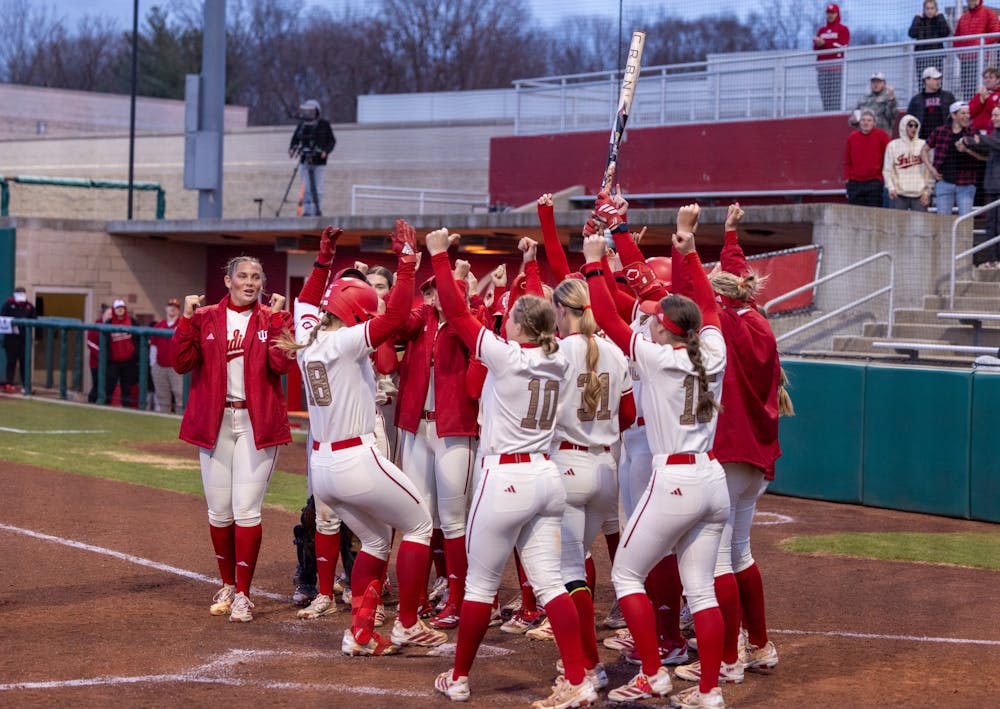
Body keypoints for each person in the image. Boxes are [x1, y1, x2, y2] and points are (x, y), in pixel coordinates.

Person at [428, 230, 598, 709]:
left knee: (482, 585)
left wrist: (440, 257)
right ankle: (578, 678)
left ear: (521, 326)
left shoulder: (506, 356)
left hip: (505, 476)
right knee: (549, 582)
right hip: (547, 476)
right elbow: (565, 324)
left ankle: (458, 677)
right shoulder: (563, 355)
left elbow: (457, 313)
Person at [582, 199, 730, 708]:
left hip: (673, 480)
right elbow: (707, 308)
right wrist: (686, 247)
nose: (653, 325)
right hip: (712, 479)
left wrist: (594, 259)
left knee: (626, 574)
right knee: (703, 591)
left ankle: (653, 673)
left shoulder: (659, 358)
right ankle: (708, 691)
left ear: (669, 328)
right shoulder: (712, 349)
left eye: (659, 321)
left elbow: (603, 312)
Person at [282, 221, 448, 655]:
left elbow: (304, 300)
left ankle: (359, 633)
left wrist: (324, 258)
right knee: (419, 525)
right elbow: (394, 318)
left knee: (376, 540)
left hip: (323, 467)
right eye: (366, 312)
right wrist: (407, 264)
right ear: (356, 313)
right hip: (355, 459)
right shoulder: (344, 341)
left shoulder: (310, 332)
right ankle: (408, 624)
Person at [672, 203, 792, 687]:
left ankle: (727, 658)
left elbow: (692, 297)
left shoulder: (723, 327)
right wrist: (728, 235)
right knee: (739, 551)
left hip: (726, 455)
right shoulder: (758, 320)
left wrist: (689, 247)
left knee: (717, 560)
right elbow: (730, 283)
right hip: (756, 460)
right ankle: (759, 644)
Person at [173, 256, 295, 623]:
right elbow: (180, 362)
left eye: (256, 277)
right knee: (219, 511)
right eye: (242, 276)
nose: (250, 282)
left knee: (246, 509)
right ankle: (227, 584)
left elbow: (280, 364)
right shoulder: (207, 316)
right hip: (215, 421)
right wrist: (186, 319)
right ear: (227, 281)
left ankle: (243, 594)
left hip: (257, 423)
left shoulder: (273, 318)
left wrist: (276, 319)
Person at [394, 265, 478, 631]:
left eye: (438, 290)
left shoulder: (466, 323)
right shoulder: (421, 320)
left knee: (454, 519)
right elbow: (399, 324)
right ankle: (418, 598)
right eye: (428, 291)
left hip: (454, 430)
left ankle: (459, 598)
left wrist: (459, 291)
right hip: (416, 427)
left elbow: (471, 332)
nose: (431, 297)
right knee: (419, 518)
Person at [927, 101, 986, 216]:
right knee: (943, 222)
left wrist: (967, 150)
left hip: (966, 183)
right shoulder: (940, 131)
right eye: (963, 113)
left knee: (965, 221)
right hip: (944, 182)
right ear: (954, 115)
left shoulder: (973, 132)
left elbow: (983, 157)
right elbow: (924, 150)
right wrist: (931, 169)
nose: (967, 116)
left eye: (968, 113)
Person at [288, 99, 336, 217]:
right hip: (305, 160)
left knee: (317, 188)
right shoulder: (302, 125)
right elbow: (295, 139)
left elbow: (332, 141)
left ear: (317, 112)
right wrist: (292, 148)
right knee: (306, 188)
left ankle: (317, 210)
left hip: (319, 161)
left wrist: (325, 151)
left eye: (312, 111)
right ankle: (307, 211)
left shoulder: (324, 125)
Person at [968, 106, 1000, 266]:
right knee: (990, 225)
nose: (992, 118)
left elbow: (995, 143)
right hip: (992, 186)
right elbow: (985, 148)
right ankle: (993, 259)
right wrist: (969, 143)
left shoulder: (993, 137)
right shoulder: (993, 134)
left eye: (996, 115)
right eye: (992, 115)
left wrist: (981, 138)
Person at [883, 114, 934, 210]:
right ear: (903, 126)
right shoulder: (893, 145)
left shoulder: (924, 145)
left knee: (920, 224)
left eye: (916, 126)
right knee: (898, 224)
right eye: (910, 125)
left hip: (920, 195)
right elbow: (887, 170)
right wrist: (891, 188)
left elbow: (930, 170)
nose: (913, 128)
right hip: (898, 194)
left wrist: (927, 191)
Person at [844, 110, 891, 207]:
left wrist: (882, 179)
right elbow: (847, 160)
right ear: (859, 122)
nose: (866, 123)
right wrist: (847, 178)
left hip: (874, 182)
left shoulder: (882, 136)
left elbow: (888, 158)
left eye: (869, 120)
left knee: (873, 215)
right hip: (855, 183)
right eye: (863, 120)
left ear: (874, 123)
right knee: (855, 215)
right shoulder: (852, 137)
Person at [954, 0, 1000, 99]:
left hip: (981, 57)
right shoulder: (963, 18)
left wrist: (981, 44)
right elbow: (956, 38)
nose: (970, 1)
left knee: (980, 85)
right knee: (966, 88)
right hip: (966, 58)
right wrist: (960, 54)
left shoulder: (988, 13)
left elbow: (996, 32)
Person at [813, 3, 850, 112]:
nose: (830, 15)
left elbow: (843, 46)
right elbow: (815, 49)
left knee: (835, 99)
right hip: (822, 69)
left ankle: (836, 118)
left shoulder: (843, 29)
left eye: (833, 13)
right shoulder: (821, 30)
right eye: (828, 13)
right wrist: (818, 43)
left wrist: (825, 43)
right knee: (825, 99)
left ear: (837, 14)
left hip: (836, 69)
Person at [150, 298, 184, 413]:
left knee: (180, 396)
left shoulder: (182, 324)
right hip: (160, 366)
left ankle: (181, 420)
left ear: (178, 310)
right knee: (162, 397)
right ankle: (165, 419)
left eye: (175, 307)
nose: (172, 308)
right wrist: (153, 364)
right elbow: (153, 346)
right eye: (170, 306)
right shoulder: (159, 325)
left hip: (177, 368)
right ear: (166, 308)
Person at [909, 0, 952, 87]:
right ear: (924, 9)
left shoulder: (939, 20)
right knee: (923, 83)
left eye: (932, 8)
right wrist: (916, 19)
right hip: (922, 57)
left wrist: (940, 16)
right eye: (927, 8)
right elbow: (912, 34)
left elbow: (945, 32)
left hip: (936, 57)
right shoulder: (920, 20)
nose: (929, 11)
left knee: (937, 82)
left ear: (936, 9)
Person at [1, 286, 36, 393]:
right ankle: (9, 383)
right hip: (11, 339)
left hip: (24, 339)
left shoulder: (29, 306)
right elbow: (2, 318)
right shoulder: (8, 305)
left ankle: (26, 385)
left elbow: (35, 319)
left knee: (24, 362)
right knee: (11, 361)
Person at [104, 298, 139, 407]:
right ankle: (105, 407)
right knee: (110, 386)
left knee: (126, 388)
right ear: (114, 310)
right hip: (113, 362)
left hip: (128, 362)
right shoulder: (109, 323)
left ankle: (126, 409)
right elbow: (105, 343)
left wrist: (135, 355)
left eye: (122, 308)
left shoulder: (132, 322)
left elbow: (138, 340)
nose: (120, 310)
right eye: (118, 308)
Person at [907, 66, 956, 140]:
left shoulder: (948, 97)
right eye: (935, 79)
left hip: (944, 138)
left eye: (939, 79)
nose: (938, 81)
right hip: (923, 139)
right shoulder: (916, 100)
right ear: (926, 80)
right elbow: (909, 120)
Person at [970, 67, 1000, 133]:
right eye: (985, 78)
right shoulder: (978, 95)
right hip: (975, 132)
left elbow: (995, 111)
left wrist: (987, 99)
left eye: (991, 78)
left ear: (998, 80)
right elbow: (970, 113)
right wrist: (981, 101)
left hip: (993, 133)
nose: (987, 80)